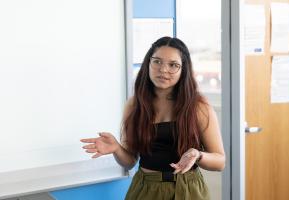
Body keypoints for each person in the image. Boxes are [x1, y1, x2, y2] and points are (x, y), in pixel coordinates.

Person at [80, 36, 225, 200]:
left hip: (187, 190)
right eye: (157, 62)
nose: (163, 70)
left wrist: (197, 154)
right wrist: (117, 149)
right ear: (148, 63)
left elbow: (220, 162)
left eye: (173, 65)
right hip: (145, 189)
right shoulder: (135, 105)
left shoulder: (198, 106)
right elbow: (129, 162)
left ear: (183, 70)